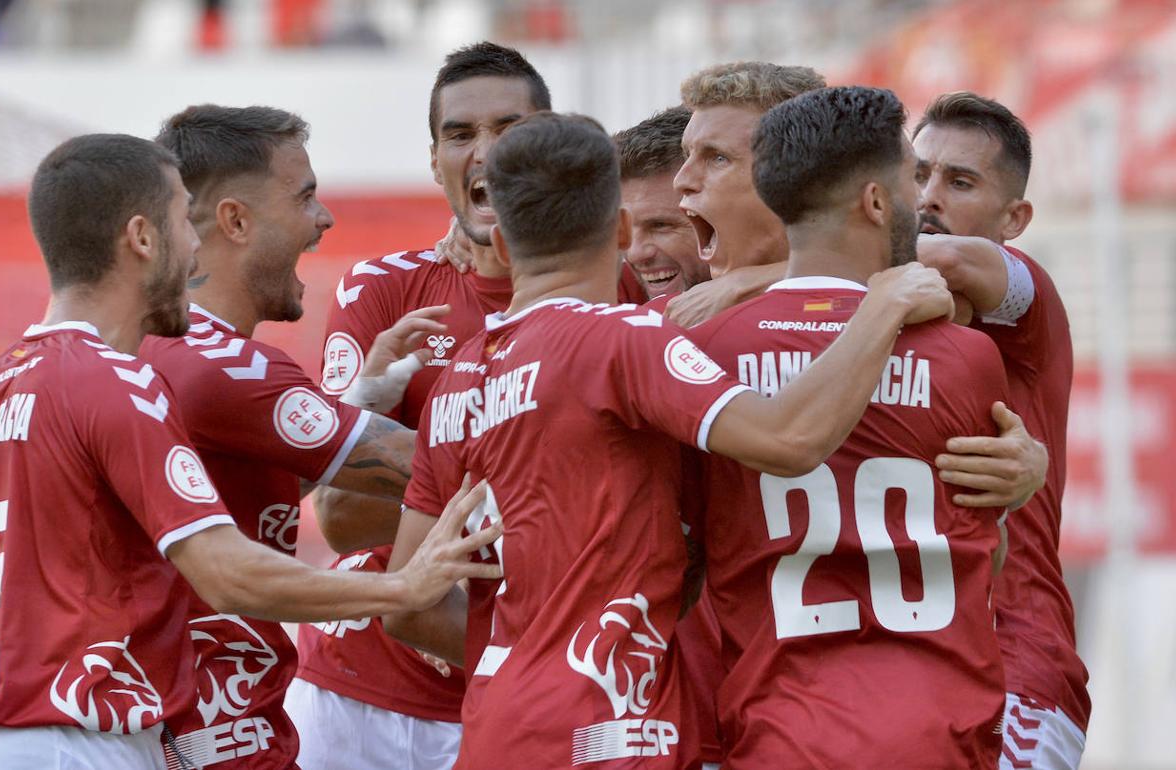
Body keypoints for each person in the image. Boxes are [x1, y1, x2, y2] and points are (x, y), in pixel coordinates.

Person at [383, 111, 955, 769]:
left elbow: (404, 603)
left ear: (504, 246)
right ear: (620, 230)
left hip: (495, 728)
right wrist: (882, 304)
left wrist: (531, 655)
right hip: (614, 730)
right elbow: (793, 439)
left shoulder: (454, 383)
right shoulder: (620, 342)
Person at [0, 134, 501, 769]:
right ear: (144, 239)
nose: (195, 245)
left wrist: (359, 399)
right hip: (86, 744)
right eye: (182, 222)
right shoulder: (117, 382)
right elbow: (225, 572)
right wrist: (403, 588)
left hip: (3, 747)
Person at [689, 84, 1018, 767]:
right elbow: (994, 549)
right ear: (874, 202)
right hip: (940, 732)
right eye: (910, 177)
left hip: (781, 731)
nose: (920, 200)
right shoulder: (966, 357)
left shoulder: (705, 354)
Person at [141, 104, 451, 770]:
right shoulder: (225, 366)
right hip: (214, 737)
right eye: (304, 196)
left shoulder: (144, 351)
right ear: (235, 220)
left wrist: (359, 400)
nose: (324, 218)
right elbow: (429, 466)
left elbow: (215, 494)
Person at [293, 41, 552, 770]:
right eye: (461, 134)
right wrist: (540, 488)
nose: (486, 152)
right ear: (434, 160)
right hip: (359, 695)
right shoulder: (384, 290)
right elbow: (340, 517)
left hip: (534, 688)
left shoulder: (619, 291)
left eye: (509, 128)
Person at [914, 91, 1090, 769]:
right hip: (904, 670)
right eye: (917, 172)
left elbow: (957, 263)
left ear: (1014, 218)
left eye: (959, 182)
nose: (928, 196)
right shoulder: (867, 320)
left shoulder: (1027, 302)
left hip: (1016, 663)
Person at [615, 103, 724, 768]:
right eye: (626, 229)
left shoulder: (824, 320)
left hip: (796, 710)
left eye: (662, 225)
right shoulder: (608, 326)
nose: (638, 251)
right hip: (653, 720)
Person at [665, 61, 825, 327]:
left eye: (717, 158)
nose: (681, 180)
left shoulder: (892, 301)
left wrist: (752, 282)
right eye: (687, 154)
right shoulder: (658, 323)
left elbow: (913, 256)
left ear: (804, 177)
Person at [614, 106, 710, 305]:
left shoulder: (782, 312)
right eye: (624, 228)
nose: (635, 254)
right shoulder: (611, 290)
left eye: (660, 225)